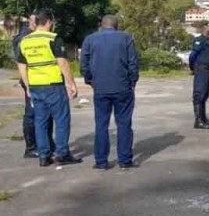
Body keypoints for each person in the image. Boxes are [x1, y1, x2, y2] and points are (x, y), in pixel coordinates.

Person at [16, 9, 82, 167]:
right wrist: (71, 83)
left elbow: (21, 65)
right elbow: (62, 63)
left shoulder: (25, 41)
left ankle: (44, 156)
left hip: (36, 86)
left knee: (40, 121)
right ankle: (62, 153)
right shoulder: (53, 38)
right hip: (53, 86)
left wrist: (27, 85)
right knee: (61, 120)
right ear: (49, 22)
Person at [80, 15, 140, 170]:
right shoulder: (126, 38)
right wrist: (133, 81)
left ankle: (101, 161)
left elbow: (84, 64)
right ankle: (125, 160)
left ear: (101, 25)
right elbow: (133, 62)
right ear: (117, 26)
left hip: (100, 87)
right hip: (122, 86)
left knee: (101, 124)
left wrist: (90, 80)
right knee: (124, 123)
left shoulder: (90, 39)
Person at [13, 15, 54, 159]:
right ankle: (31, 147)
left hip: (38, 79)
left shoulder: (29, 36)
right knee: (32, 113)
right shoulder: (24, 37)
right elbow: (21, 61)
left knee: (44, 113)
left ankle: (47, 144)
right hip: (31, 79)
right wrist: (27, 82)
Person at [189, 24, 209, 130]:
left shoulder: (207, 41)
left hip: (206, 70)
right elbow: (192, 55)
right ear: (208, 31)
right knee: (199, 94)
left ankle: (203, 118)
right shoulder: (199, 40)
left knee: (204, 94)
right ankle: (198, 121)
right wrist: (192, 68)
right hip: (201, 69)